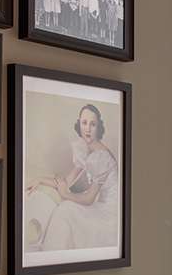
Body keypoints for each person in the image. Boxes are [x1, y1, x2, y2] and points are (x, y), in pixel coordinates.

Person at [24, 103, 119, 253]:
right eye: (84, 123)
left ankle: (51, 257)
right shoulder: (85, 149)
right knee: (65, 209)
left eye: (92, 124)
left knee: (66, 210)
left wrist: (65, 194)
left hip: (110, 214)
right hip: (98, 206)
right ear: (79, 124)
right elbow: (67, 182)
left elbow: (88, 199)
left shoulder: (102, 156)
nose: (87, 128)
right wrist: (40, 179)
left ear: (98, 128)